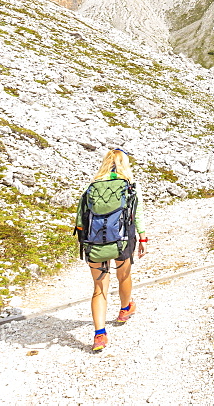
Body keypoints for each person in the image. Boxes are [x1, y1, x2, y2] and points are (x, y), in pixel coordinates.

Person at [77, 148, 147, 352]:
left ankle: (100, 335)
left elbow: (81, 218)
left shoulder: (92, 186)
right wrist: (142, 237)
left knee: (99, 289)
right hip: (122, 240)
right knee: (123, 276)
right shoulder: (130, 186)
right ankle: (125, 309)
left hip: (95, 242)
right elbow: (138, 214)